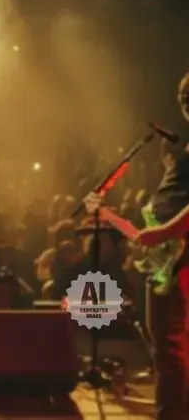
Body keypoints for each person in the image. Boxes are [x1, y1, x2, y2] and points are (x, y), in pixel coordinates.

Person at [85, 71, 189, 420]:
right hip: (166, 255)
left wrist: (163, 233)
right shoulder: (181, 152)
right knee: (169, 344)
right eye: (183, 98)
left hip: (177, 251)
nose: (184, 106)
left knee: (169, 344)